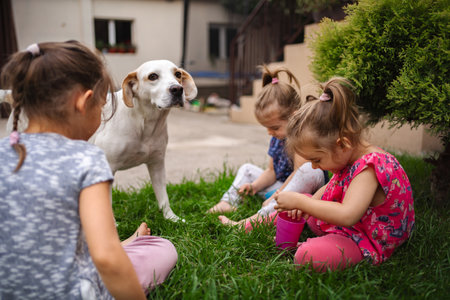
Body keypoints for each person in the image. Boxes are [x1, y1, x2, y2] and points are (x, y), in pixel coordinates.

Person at [0, 41, 177, 299]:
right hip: (74, 291)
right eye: (104, 105)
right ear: (84, 103)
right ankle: (128, 245)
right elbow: (105, 258)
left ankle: (126, 242)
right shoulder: (87, 159)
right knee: (162, 248)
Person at [274, 77, 415, 271]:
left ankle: (317, 244)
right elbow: (330, 188)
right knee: (299, 206)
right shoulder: (347, 158)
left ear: (342, 144)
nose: (315, 167)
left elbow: (348, 215)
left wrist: (302, 203)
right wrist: (305, 205)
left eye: (317, 159)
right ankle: (257, 223)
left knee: (305, 256)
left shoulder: (370, 168)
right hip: (356, 226)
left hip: (368, 237)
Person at [208, 66, 325, 230]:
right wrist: (255, 186)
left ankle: (252, 222)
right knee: (247, 169)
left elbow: (299, 172)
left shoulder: (301, 136)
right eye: (267, 128)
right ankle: (228, 201)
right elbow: (271, 171)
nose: (270, 132)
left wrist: (276, 197)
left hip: (304, 192)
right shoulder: (277, 137)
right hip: (282, 186)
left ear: (294, 115)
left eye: (275, 127)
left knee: (310, 170)